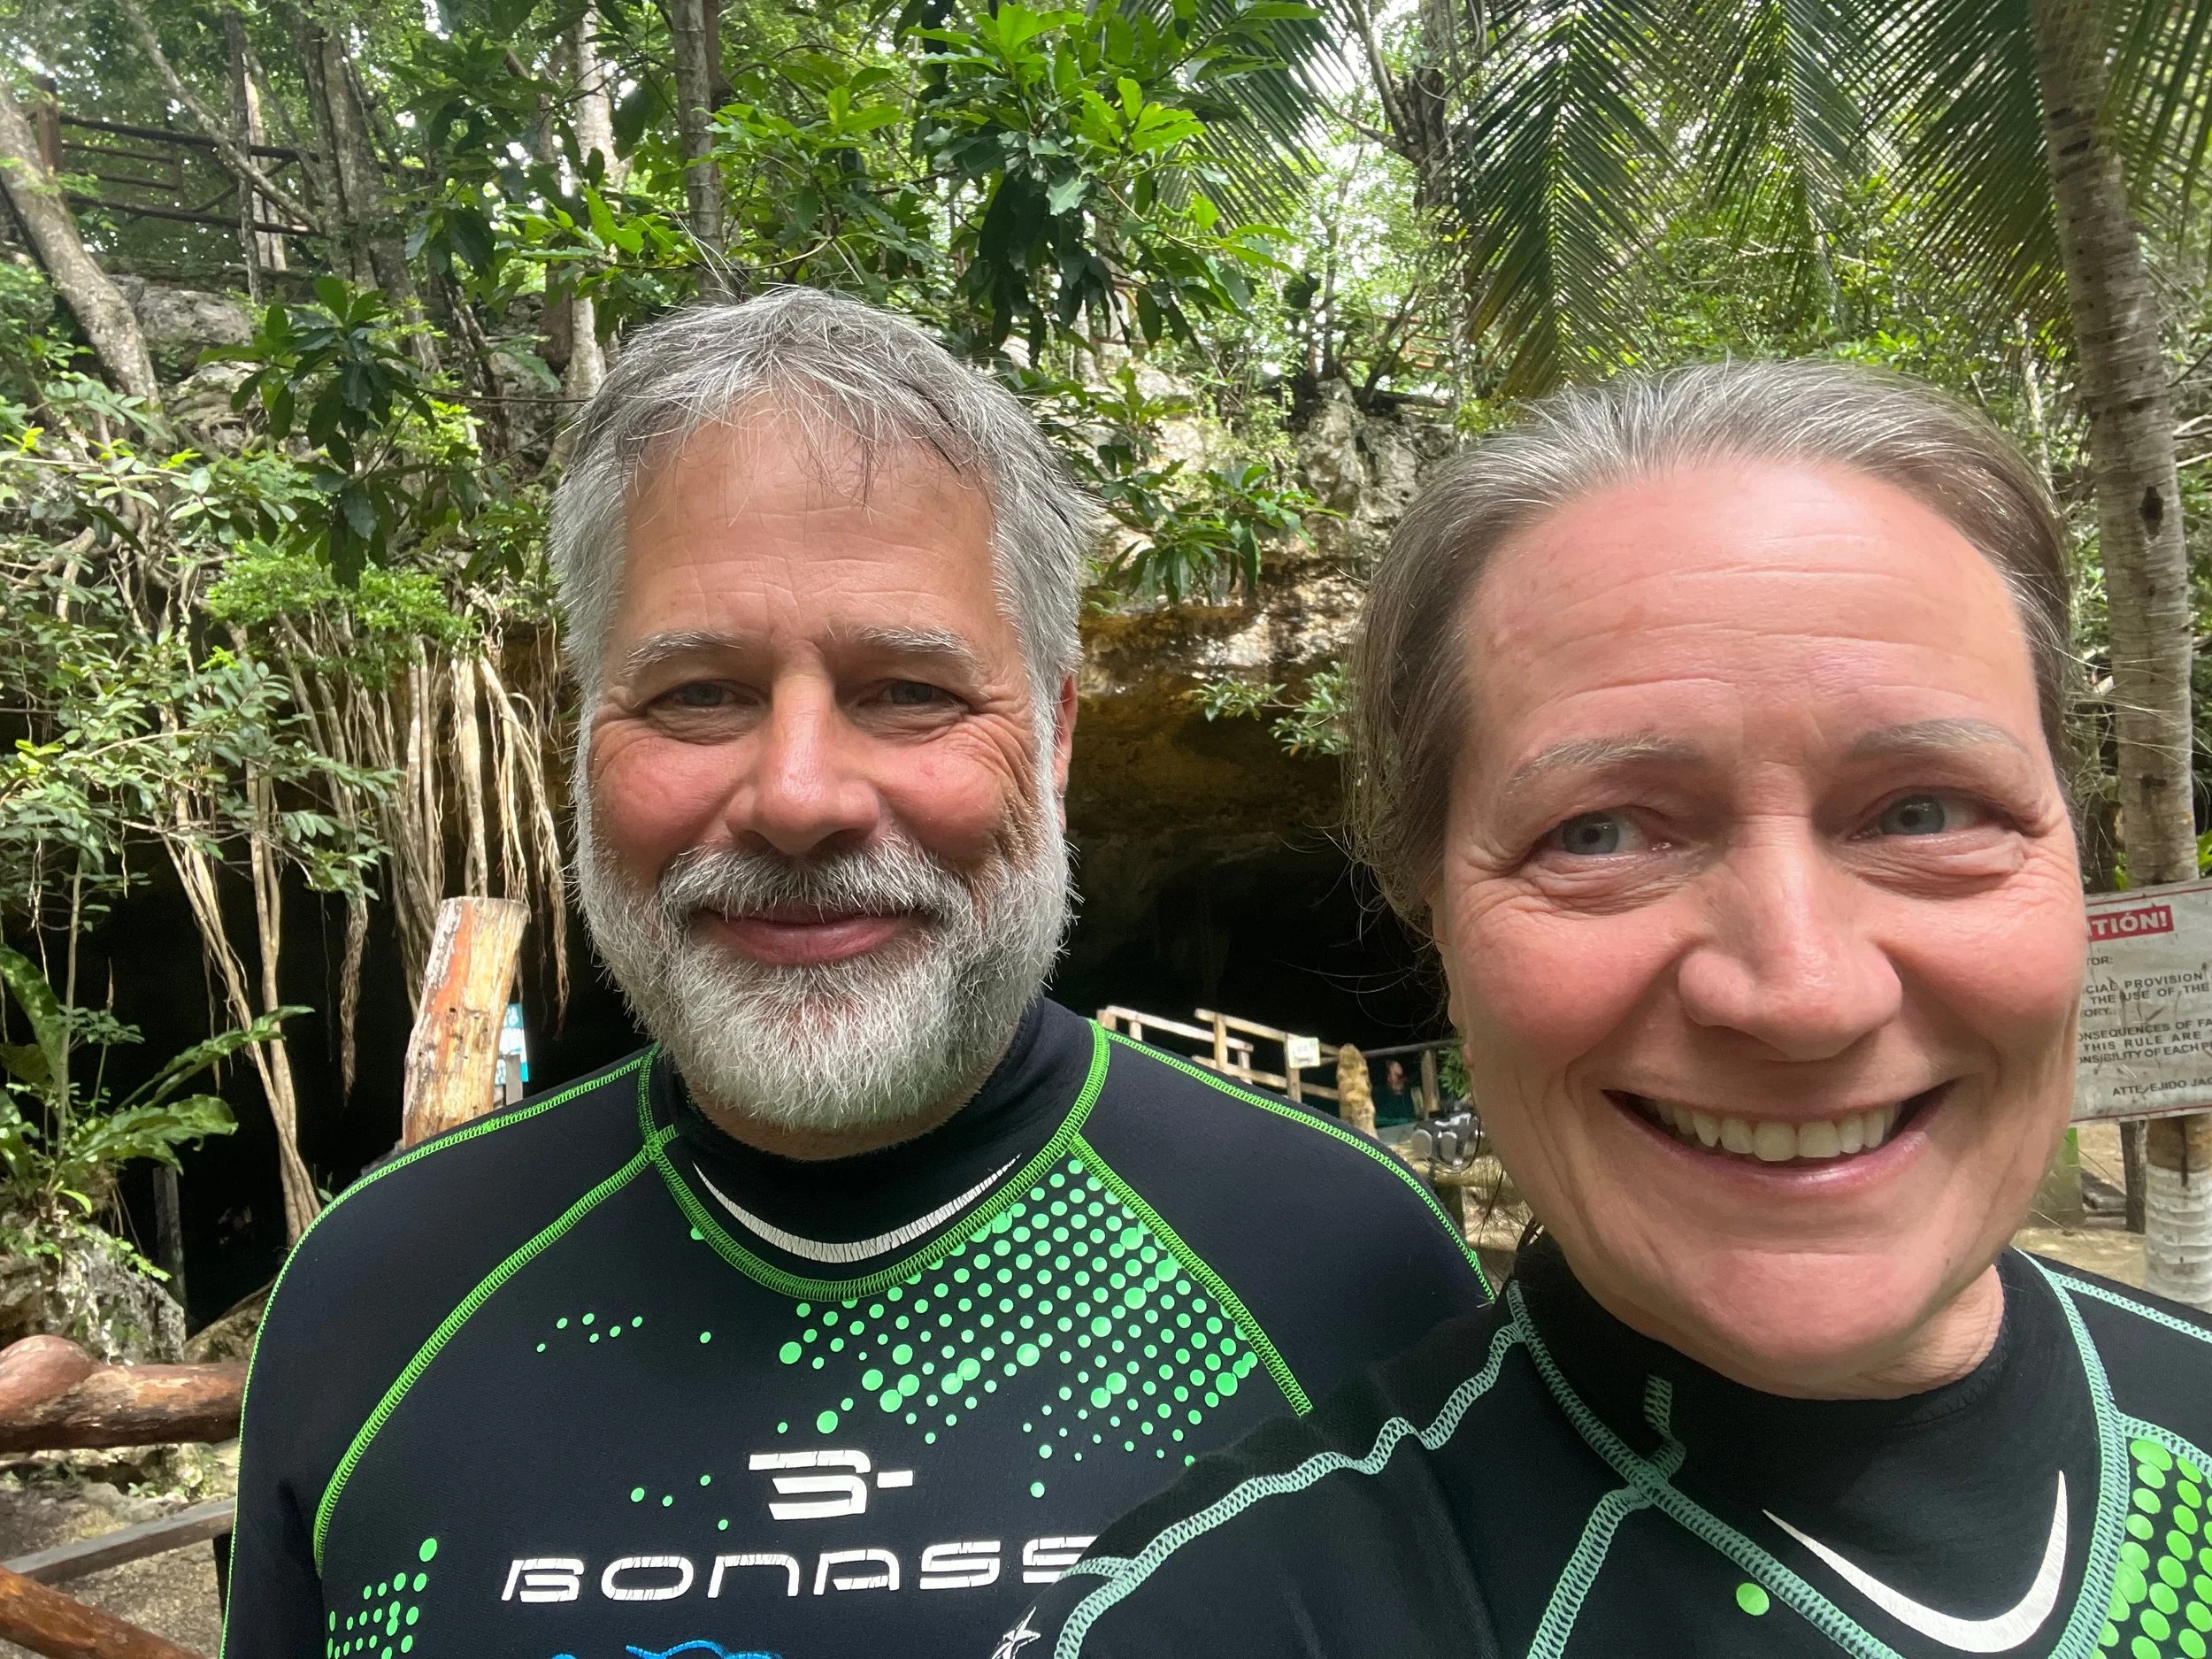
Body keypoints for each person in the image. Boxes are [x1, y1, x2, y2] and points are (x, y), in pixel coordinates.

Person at [219, 288, 1487, 1659]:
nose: (800, 796)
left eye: (909, 691)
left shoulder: (1351, 1276)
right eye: (698, 692)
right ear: (585, 731)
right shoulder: (380, 1297)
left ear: (1055, 737)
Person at [1009, 361, 2212, 1659]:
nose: (1802, 993)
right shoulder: (1226, 1625)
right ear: (1442, 939)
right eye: (1603, 832)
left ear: (2074, 869)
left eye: (1925, 812)